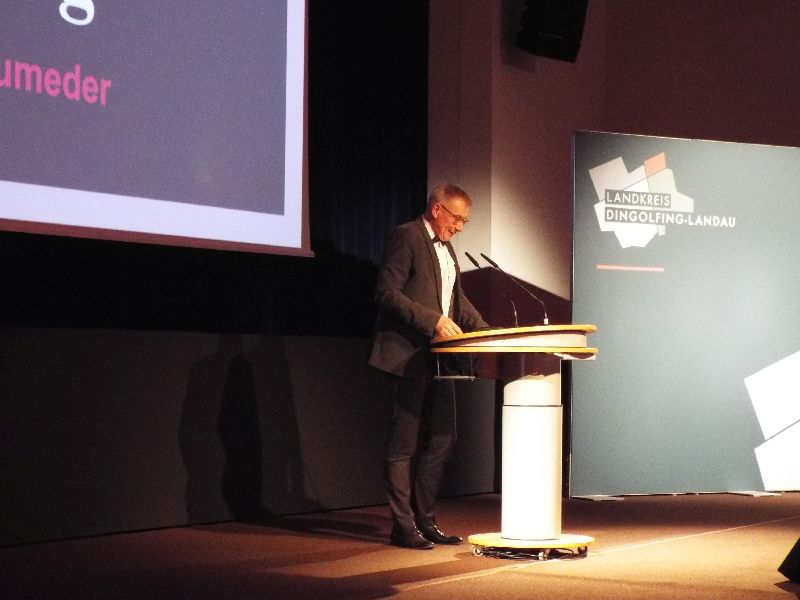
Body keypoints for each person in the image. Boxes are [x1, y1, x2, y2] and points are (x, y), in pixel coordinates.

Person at [369, 184, 489, 550]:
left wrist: (486, 331)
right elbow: (386, 292)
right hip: (408, 355)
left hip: (440, 358)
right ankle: (403, 526)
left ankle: (424, 519)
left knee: (444, 438)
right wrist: (432, 320)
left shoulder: (447, 247)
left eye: (465, 221)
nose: (460, 227)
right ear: (437, 209)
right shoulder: (406, 236)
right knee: (403, 444)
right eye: (457, 219)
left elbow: (456, 299)